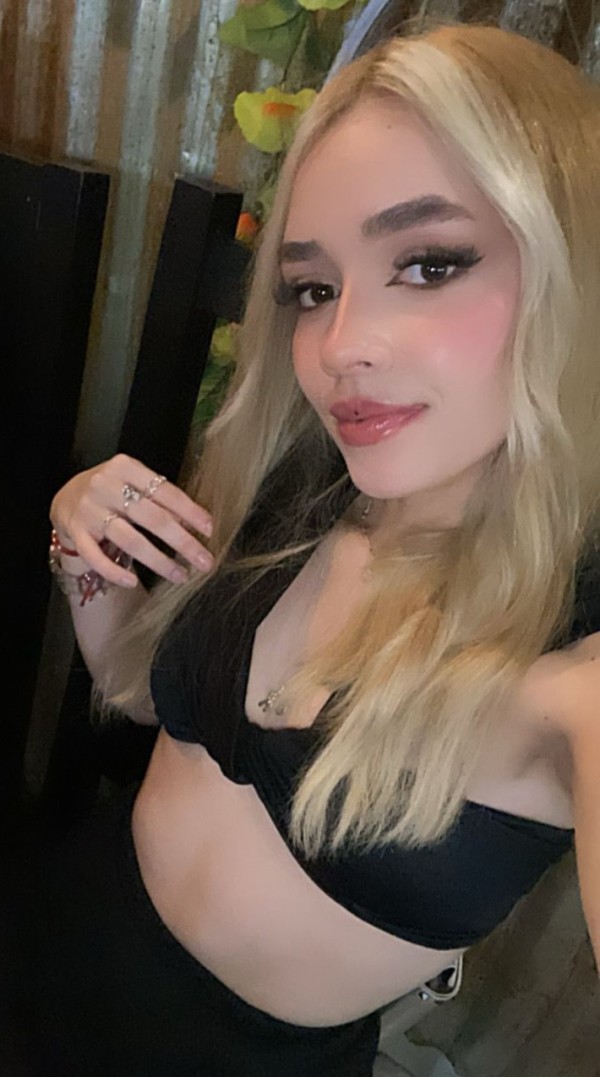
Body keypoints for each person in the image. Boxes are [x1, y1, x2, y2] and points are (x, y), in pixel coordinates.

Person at [5, 20, 600, 1077]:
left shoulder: (576, 670)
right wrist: (78, 545)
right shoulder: (306, 486)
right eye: (313, 289)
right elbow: (139, 696)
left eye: (428, 263)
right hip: (52, 933)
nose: (340, 346)